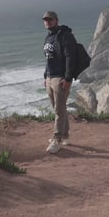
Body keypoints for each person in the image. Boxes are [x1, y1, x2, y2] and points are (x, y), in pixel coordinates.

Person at [42, 10, 77, 154]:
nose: (47, 22)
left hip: (60, 78)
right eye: (45, 20)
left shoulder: (64, 36)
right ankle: (66, 135)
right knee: (58, 108)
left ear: (56, 20)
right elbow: (48, 59)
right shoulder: (48, 37)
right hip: (50, 77)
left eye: (50, 19)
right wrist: (45, 76)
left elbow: (70, 57)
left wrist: (68, 78)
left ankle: (57, 139)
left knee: (59, 110)